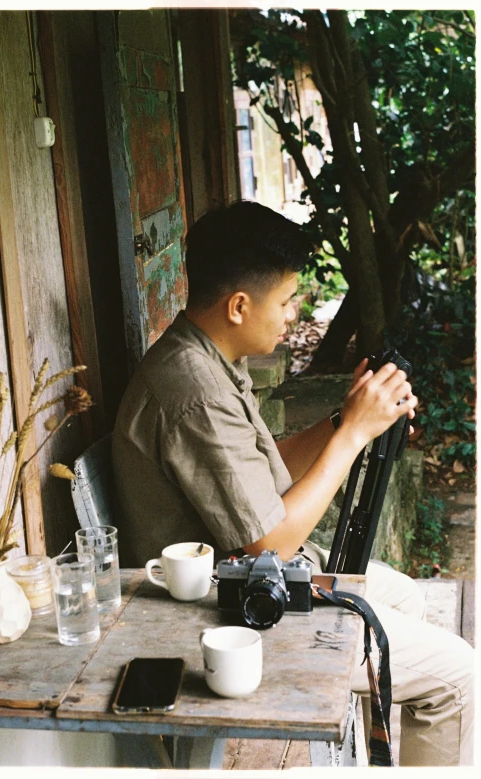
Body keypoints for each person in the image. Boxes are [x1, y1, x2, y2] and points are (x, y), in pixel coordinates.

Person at [112, 201, 474, 766]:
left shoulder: (206, 356)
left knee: (405, 598)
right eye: (284, 301)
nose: (292, 314)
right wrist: (352, 436)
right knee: (459, 677)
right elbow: (270, 543)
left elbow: (258, 471)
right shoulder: (194, 391)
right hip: (222, 610)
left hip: (255, 579)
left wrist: (341, 418)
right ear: (238, 306)